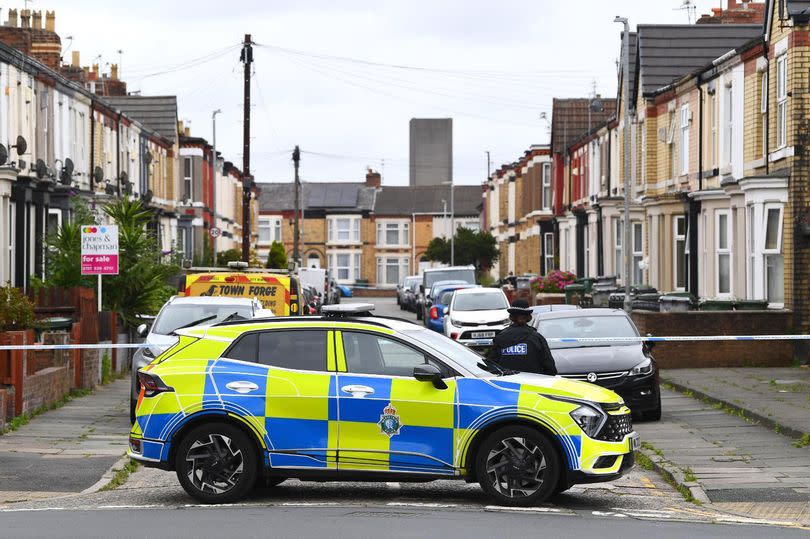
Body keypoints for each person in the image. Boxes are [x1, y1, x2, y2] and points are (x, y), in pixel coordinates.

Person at [486, 299, 557, 376]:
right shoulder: (537, 338)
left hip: (507, 384)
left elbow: (491, 364)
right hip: (533, 384)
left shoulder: (500, 337)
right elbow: (550, 367)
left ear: (511, 316)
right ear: (528, 317)